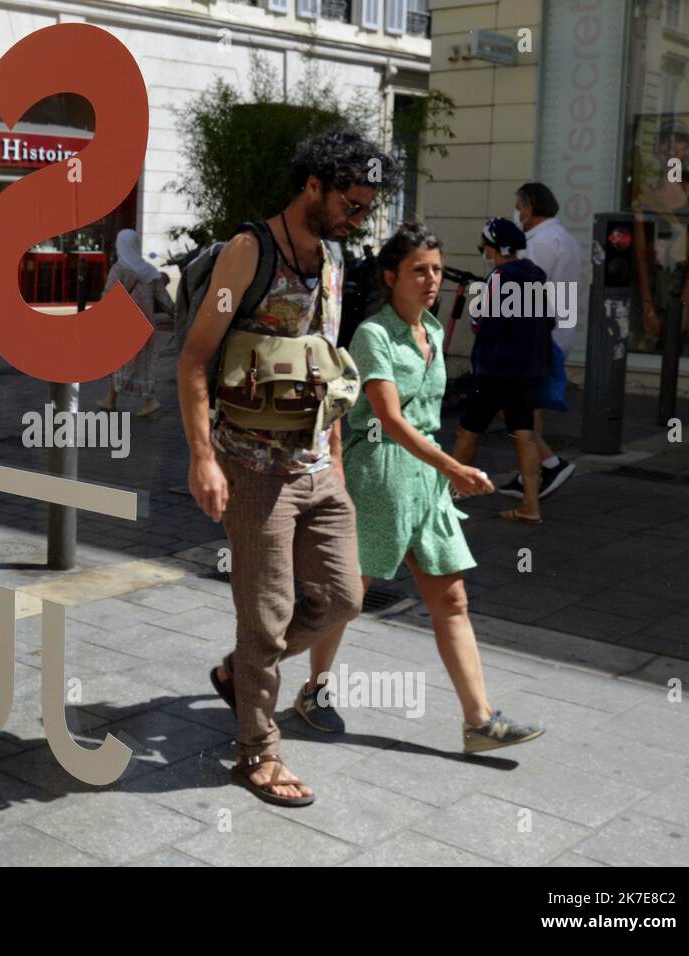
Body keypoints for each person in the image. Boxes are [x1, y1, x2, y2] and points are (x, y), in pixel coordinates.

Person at [179, 127, 392, 807]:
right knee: (266, 620)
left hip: (316, 465)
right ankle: (257, 754)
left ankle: (239, 675)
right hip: (252, 468)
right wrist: (203, 460)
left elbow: (323, 365)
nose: (359, 219)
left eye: (366, 209)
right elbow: (193, 359)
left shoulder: (332, 258)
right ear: (313, 186)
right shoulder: (250, 253)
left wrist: (332, 454)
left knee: (343, 600)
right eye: (351, 205)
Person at [328, 222, 545, 753]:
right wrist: (453, 467)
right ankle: (284, 681)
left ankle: (479, 721)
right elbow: (389, 418)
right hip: (380, 472)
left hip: (425, 480)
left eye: (438, 271)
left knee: (452, 600)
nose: (432, 280)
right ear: (390, 276)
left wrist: (441, 471)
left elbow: (421, 420)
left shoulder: (432, 331)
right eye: (419, 271)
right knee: (344, 601)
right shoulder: (373, 334)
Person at [451, 218, 554, 524]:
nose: (482, 250)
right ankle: (530, 506)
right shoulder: (536, 277)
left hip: (495, 370)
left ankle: (448, 495)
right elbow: (549, 321)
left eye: (484, 245)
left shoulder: (497, 278)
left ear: (493, 247)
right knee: (524, 434)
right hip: (528, 370)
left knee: (467, 431)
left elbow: (477, 323)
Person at [499, 183, 582, 502]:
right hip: (553, 333)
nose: (517, 211)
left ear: (530, 208)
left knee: (515, 409)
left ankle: (549, 464)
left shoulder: (542, 242)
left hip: (537, 336)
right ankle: (532, 471)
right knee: (526, 408)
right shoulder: (563, 238)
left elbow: (524, 289)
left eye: (519, 205)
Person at [632, 121, 689, 359]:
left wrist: (685, 307)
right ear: (658, 149)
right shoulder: (646, 194)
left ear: (686, 149)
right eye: (665, 140)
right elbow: (639, 253)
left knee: (685, 351)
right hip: (654, 283)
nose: (671, 146)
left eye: (678, 140)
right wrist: (647, 305)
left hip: (685, 282)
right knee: (646, 352)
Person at [100, 229, 175, 416]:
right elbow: (165, 301)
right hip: (146, 325)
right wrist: (180, 317)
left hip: (124, 325)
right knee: (141, 365)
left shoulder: (119, 269)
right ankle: (111, 399)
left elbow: (108, 296)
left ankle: (150, 401)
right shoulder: (150, 271)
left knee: (117, 361)